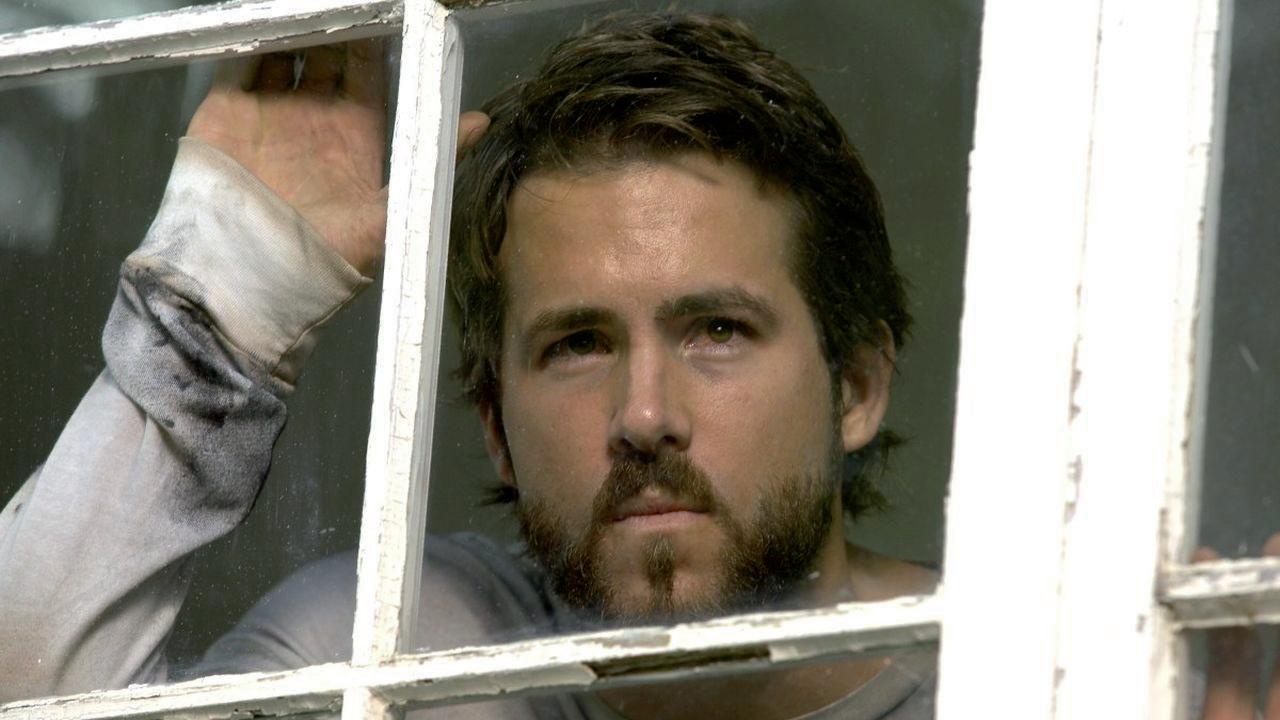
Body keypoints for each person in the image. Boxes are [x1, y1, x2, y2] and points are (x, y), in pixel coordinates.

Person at [0, 10, 1274, 720]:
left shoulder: (1030, 671)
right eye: (576, 345)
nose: (644, 415)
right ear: (493, 427)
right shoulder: (410, 648)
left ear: (856, 388)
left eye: (716, 330)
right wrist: (224, 298)